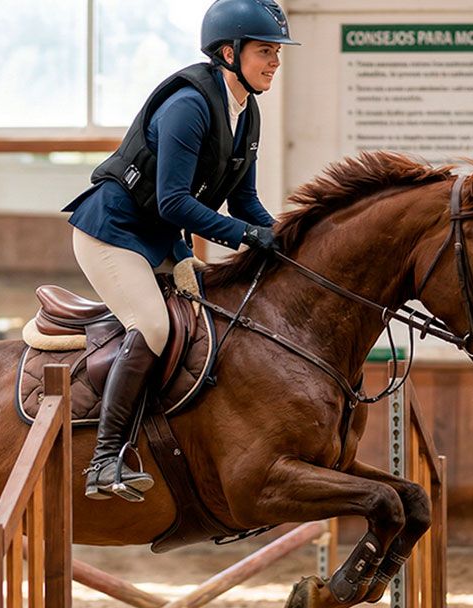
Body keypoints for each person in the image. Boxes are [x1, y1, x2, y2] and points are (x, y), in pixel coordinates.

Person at [61, 0, 297, 501]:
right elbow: (173, 202)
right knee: (152, 325)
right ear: (229, 53)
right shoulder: (189, 107)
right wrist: (243, 235)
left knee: (210, 316)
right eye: (265, 51)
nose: (275, 61)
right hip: (112, 231)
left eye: (277, 52)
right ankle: (104, 460)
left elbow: (245, 199)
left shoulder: (245, 111)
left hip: (160, 237)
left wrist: (284, 238)